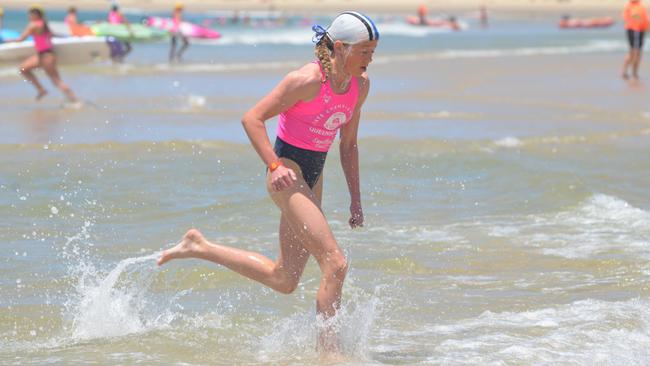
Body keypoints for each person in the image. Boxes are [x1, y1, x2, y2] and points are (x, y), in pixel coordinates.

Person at [157, 11, 379, 355]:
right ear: (339, 47)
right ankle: (329, 356)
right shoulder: (306, 80)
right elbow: (252, 118)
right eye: (364, 51)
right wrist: (274, 166)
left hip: (313, 177)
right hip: (287, 173)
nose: (369, 59)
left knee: (285, 278)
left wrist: (356, 199)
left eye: (372, 52)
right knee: (335, 264)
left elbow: (348, 145)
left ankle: (198, 246)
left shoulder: (359, 87)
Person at [5, 6, 77, 102]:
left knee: (56, 81)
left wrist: (7, 40)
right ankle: (41, 90)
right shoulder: (44, 24)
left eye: (30, 14)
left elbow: (21, 39)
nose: (29, 16)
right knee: (23, 69)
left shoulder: (33, 25)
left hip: (45, 56)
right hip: (44, 55)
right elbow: (53, 35)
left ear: (36, 15)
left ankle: (75, 100)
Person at [622, 0, 649, 80]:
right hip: (633, 29)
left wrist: (646, 24)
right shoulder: (629, 6)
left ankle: (634, 72)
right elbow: (630, 16)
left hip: (641, 30)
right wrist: (640, 20)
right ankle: (626, 71)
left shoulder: (641, 6)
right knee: (633, 51)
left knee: (639, 52)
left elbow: (645, 17)